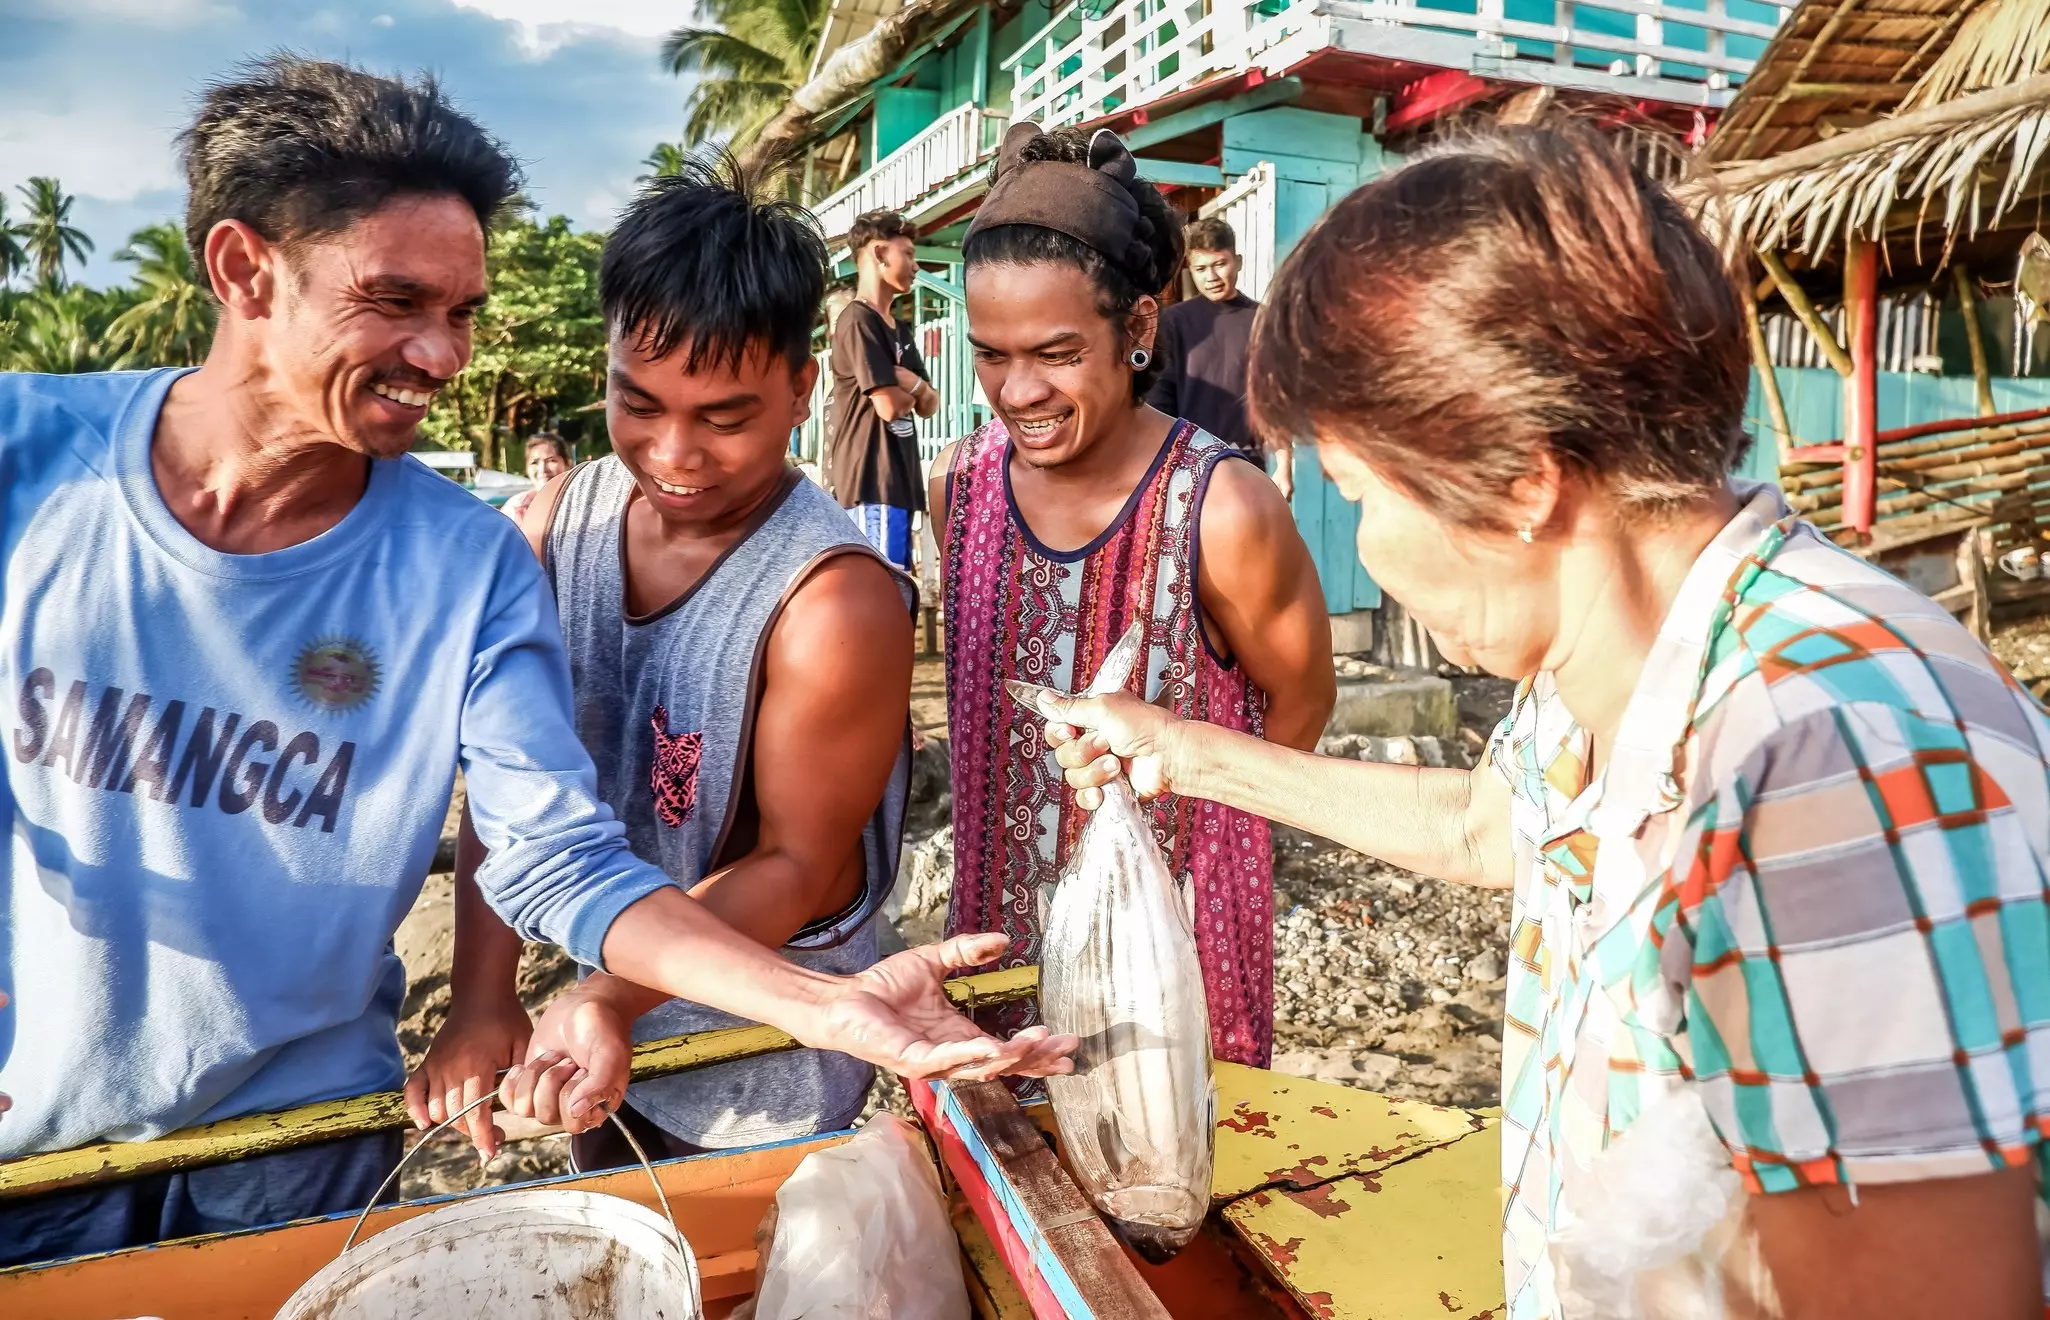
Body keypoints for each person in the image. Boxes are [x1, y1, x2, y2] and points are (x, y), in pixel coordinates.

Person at [0, 56, 1068, 1268]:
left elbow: (563, 845)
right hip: (34, 1118)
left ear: (797, 389)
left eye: (459, 312)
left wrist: (808, 1006)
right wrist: (496, 993)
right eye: (399, 301)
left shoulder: (481, 567)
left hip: (344, 1121)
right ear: (246, 270)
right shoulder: (26, 461)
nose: (445, 356)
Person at [1039, 124, 2050, 1318]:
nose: (1355, 546)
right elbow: (1489, 825)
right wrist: (1184, 752)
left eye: (1357, 494)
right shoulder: (1624, 654)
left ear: (1524, 478)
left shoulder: (1825, 762)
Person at [409, 163, 915, 1165]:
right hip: (595, 1026)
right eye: (636, 404)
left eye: (724, 418)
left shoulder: (832, 601)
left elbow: (797, 867)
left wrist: (605, 994)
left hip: (761, 1055)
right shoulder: (559, 523)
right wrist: (479, 997)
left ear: (803, 386)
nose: (674, 452)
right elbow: (510, 795)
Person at [931, 124, 1335, 1070]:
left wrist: (1196, 843)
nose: (1018, 390)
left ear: (1141, 330)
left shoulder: (1223, 504)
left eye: (1057, 353)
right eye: (990, 355)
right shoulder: (962, 482)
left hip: (1171, 957)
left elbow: (1303, 707)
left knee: (1168, 1196)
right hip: (998, 944)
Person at [1146, 216, 1290, 500]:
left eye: (1219, 264)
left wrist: (1284, 468)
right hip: (1186, 466)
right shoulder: (1174, 322)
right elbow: (1159, 400)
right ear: (1190, 269)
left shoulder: (1263, 320)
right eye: (1200, 268)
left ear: (1237, 261)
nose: (1210, 277)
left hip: (1249, 466)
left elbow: (1275, 399)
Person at [826, 209, 937, 572]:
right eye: (907, 254)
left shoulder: (900, 329)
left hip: (899, 483)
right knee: (882, 593)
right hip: (872, 482)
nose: (915, 265)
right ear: (878, 254)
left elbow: (931, 404)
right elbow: (888, 406)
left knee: (900, 592)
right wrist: (910, 390)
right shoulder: (858, 320)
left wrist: (911, 384)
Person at [503, 430, 569, 522]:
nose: (542, 470)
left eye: (551, 461)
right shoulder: (517, 507)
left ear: (567, 464)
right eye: (535, 462)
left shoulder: (581, 504)